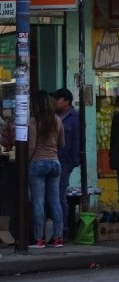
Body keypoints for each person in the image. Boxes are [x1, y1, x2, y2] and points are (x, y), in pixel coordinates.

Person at [28, 90, 66, 248]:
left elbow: (31, 146)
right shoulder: (57, 120)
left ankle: (39, 239)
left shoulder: (34, 121)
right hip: (55, 163)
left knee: (38, 202)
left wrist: (26, 162)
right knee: (55, 201)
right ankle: (58, 238)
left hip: (38, 163)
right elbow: (62, 144)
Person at [52, 88, 80, 241]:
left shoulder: (74, 118)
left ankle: (63, 229)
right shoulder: (52, 116)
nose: (55, 102)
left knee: (60, 194)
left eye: (58, 99)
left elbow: (77, 141)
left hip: (64, 162)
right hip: (52, 159)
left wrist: (72, 163)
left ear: (67, 101)